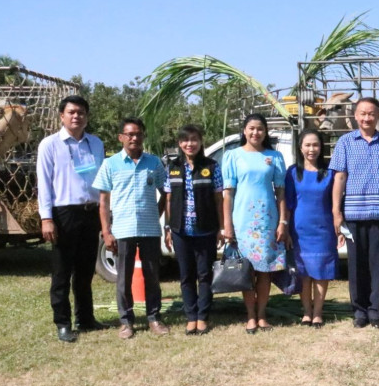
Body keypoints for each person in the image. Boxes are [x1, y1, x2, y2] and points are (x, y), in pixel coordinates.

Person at [330, 97, 379, 328]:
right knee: (356, 266)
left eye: (371, 113)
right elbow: (339, 178)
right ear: (355, 116)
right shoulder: (345, 142)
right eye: (362, 113)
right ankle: (359, 311)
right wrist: (336, 211)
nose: (367, 118)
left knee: (377, 265)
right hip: (353, 214)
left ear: (378, 116)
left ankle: (375, 311)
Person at [37, 95, 106, 343]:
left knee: (85, 271)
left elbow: (102, 180)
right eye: (72, 112)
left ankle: (85, 319)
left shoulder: (95, 143)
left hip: (91, 211)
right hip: (64, 213)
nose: (77, 116)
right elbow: (44, 183)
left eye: (81, 112)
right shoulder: (49, 144)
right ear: (62, 116)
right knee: (62, 272)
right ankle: (63, 323)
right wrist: (46, 218)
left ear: (87, 117)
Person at [93, 117, 168, 340]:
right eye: (130, 134)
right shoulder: (110, 164)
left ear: (143, 136)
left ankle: (154, 318)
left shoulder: (154, 163)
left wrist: (157, 214)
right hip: (122, 230)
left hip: (150, 229)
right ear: (121, 137)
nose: (134, 138)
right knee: (123, 279)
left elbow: (166, 193)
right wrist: (106, 231)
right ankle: (126, 321)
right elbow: (103, 201)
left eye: (138, 134)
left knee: (152, 276)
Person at [222, 113, 288, 334]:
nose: (255, 132)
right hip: (243, 221)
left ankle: (262, 315)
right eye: (251, 128)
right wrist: (227, 225)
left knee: (265, 270)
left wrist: (282, 221)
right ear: (244, 130)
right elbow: (228, 194)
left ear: (265, 131)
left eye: (260, 128)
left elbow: (281, 192)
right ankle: (250, 315)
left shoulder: (275, 156)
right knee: (247, 270)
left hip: (268, 221)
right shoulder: (233, 156)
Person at [164, 125, 223, 336]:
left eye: (194, 139)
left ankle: (202, 317)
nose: (190, 144)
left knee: (205, 275)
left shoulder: (212, 166)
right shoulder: (172, 167)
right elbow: (169, 199)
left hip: (206, 230)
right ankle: (190, 316)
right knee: (186, 275)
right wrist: (168, 227)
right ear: (180, 143)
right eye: (185, 140)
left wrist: (221, 228)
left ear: (201, 141)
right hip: (180, 231)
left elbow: (219, 199)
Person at [285, 129, 342, 329]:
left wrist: (339, 228)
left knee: (321, 271)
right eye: (307, 145)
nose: (312, 149)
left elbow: (336, 204)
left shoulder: (330, 172)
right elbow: (288, 203)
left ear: (321, 147)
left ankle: (318, 313)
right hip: (299, 230)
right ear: (300, 148)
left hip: (324, 230)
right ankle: (306, 312)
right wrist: (286, 229)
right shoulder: (292, 172)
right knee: (304, 272)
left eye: (315, 145)